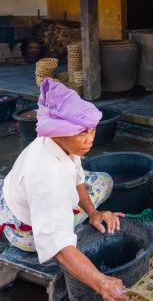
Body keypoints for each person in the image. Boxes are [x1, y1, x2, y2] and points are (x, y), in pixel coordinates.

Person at [0, 79, 127, 301]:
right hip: (23, 231)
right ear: (58, 134)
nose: (90, 139)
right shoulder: (47, 176)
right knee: (62, 234)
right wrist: (102, 282)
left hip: (18, 194)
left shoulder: (62, 142)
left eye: (92, 130)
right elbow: (57, 247)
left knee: (103, 181)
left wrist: (94, 213)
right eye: (82, 134)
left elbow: (78, 178)